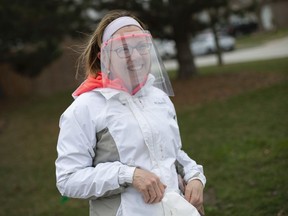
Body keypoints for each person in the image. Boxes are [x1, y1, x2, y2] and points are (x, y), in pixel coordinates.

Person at [55, 9, 206, 216]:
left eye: (140, 46)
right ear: (103, 57)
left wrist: (194, 176)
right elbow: (68, 180)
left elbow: (172, 153)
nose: (134, 56)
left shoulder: (158, 98)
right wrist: (129, 175)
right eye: (122, 49)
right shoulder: (84, 108)